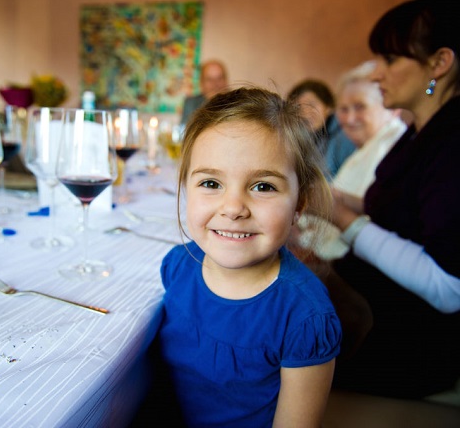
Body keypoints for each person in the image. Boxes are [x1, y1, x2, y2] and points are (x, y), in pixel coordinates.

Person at [156, 87, 341, 427]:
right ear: (185, 187)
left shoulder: (304, 319)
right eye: (211, 183)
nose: (233, 208)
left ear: (299, 203)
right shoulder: (177, 266)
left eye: (263, 186)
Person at [323, 0, 460, 399]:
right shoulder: (421, 133)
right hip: (373, 315)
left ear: (439, 63)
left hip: (409, 344)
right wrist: (324, 196)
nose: (378, 73)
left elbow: (449, 287)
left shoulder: (452, 144)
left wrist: (341, 216)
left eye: (390, 59)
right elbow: (401, 212)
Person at [295, 61, 407, 261]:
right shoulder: (362, 151)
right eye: (344, 109)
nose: (349, 118)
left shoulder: (393, 148)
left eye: (360, 107)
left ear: (391, 108)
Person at [287, 79, 357, 178]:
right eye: (298, 107)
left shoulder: (344, 136)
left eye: (311, 105)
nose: (304, 112)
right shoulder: (301, 138)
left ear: (328, 107)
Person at [180, 59, 228, 125]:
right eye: (209, 79)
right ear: (201, 83)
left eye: (219, 78)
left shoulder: (237, 103)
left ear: (225, 81)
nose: (215, 84)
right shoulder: (191, 104)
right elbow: (184, 132)